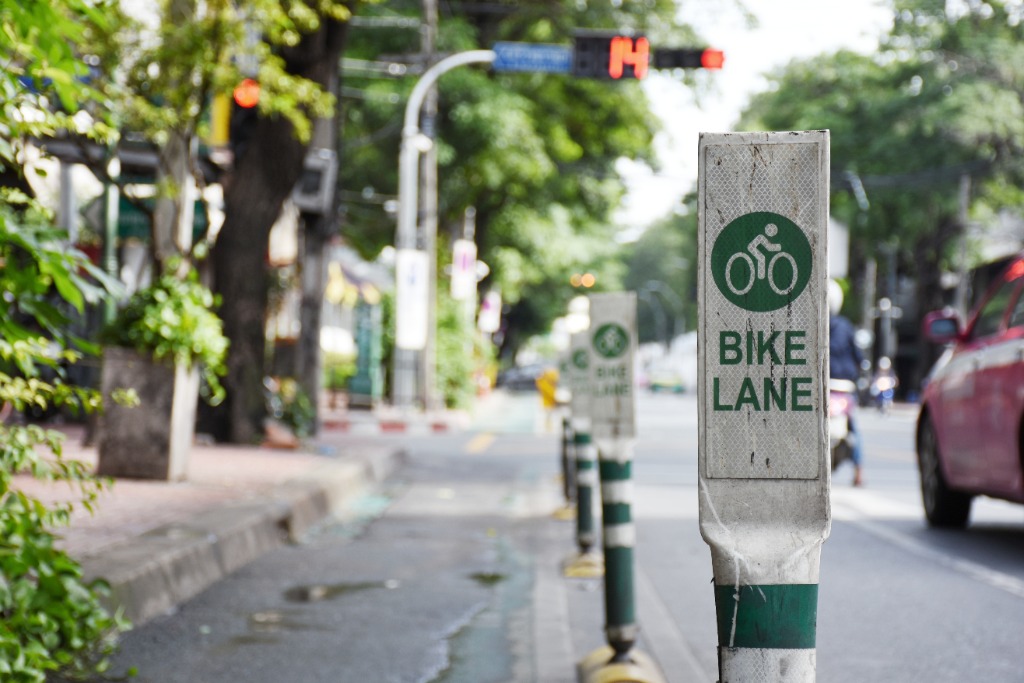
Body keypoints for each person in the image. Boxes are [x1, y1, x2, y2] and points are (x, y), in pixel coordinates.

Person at [828, 280, 865, 486]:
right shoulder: (846, 326)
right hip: (844, 387)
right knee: (854, 429)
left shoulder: (813, 324)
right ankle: (859, 471)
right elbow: (858, 357)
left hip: (824, 387)